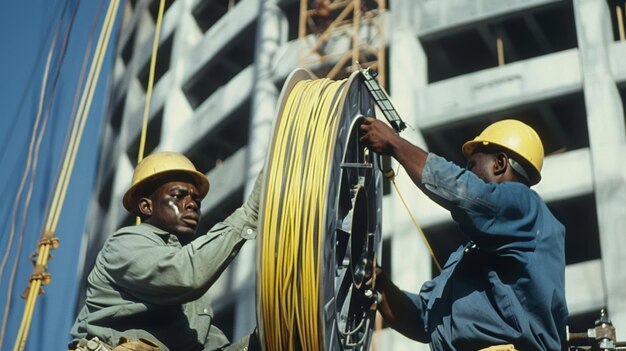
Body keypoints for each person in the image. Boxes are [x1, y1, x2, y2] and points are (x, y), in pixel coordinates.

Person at [360, 118, 568, 350]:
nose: (466, 173)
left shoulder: (524, 205)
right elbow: (425, 321)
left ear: (499, 163)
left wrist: (396, 144)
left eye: (472, 166)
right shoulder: (475, 255)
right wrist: (380, 286)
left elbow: (466, 192)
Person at [69, 151, 262, 351]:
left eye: (196, 199)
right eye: (178, 196)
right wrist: (250, 214)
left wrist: (266, 338)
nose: (192, 204)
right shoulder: (123, 245)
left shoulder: (193, 305)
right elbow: (185, 274)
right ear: (146, 207)